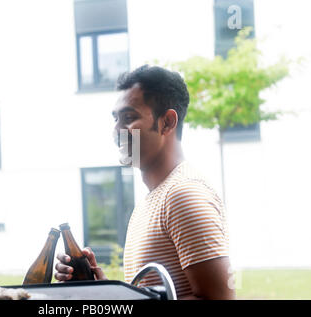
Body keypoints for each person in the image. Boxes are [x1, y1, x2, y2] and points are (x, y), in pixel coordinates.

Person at [55, 65, 235, 300]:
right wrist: (105, 289)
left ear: (167, 123)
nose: (117, 131)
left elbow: (219, 298)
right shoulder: (152, 199)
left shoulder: (184, 193)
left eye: (129, 118)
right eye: (116, 119)